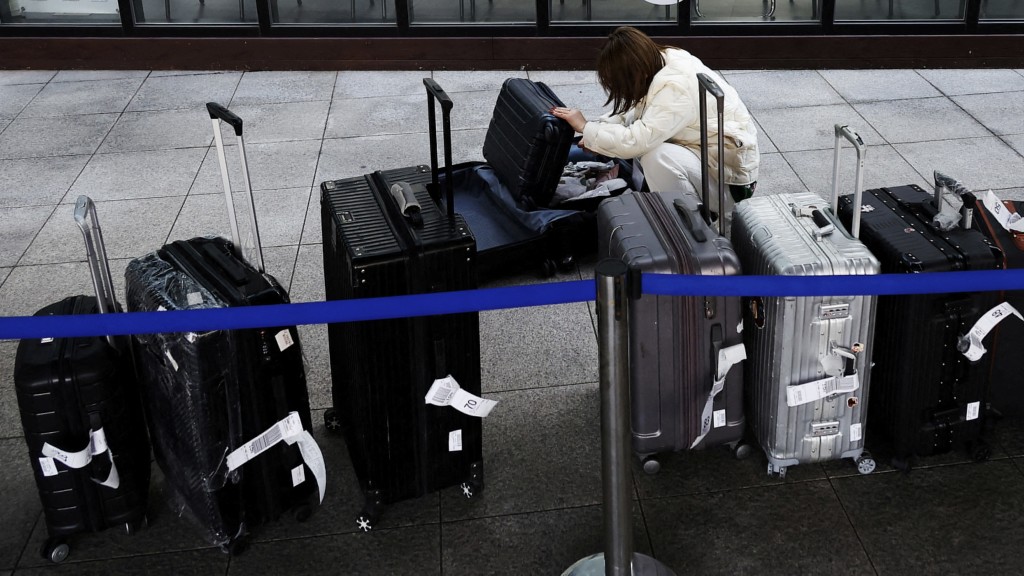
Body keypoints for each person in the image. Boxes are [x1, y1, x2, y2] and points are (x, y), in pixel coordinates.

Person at [551, 26, 759, 233]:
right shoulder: (660, 60)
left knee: (655, 155)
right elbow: (633, 113)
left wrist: (586, 128)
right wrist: (597, 132)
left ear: (636, 73)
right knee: (648, 148)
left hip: (730, 184)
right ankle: (679, 215)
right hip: (710, 161)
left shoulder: (675, 87)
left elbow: (637, 140)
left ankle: (695, 231)